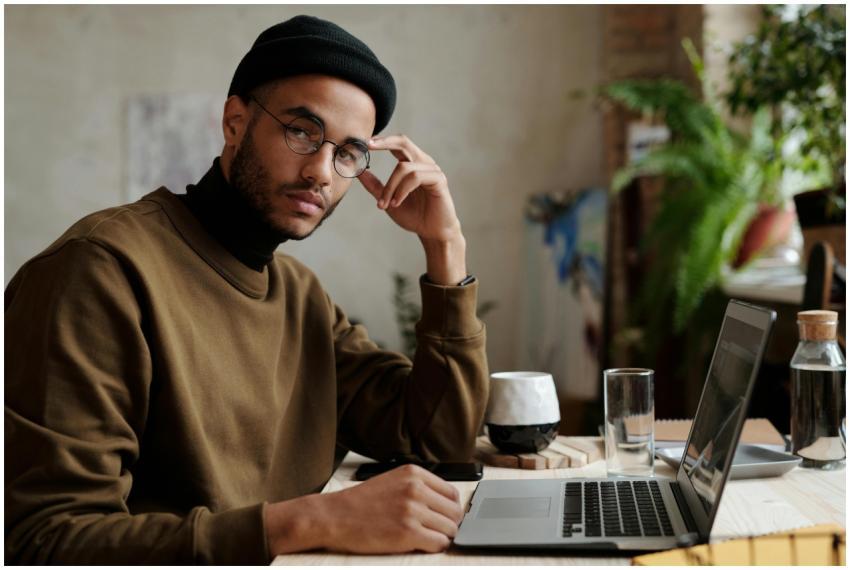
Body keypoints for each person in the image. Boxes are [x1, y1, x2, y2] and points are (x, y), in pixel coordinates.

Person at [5, 15, 488, 564]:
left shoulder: (299, 296)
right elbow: (44, 539)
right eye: (303, 131)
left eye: (348, 153)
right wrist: (311, 519)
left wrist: (445, 247)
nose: (322, 173)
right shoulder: (100, 270)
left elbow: (436, 441)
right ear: (235, 122)